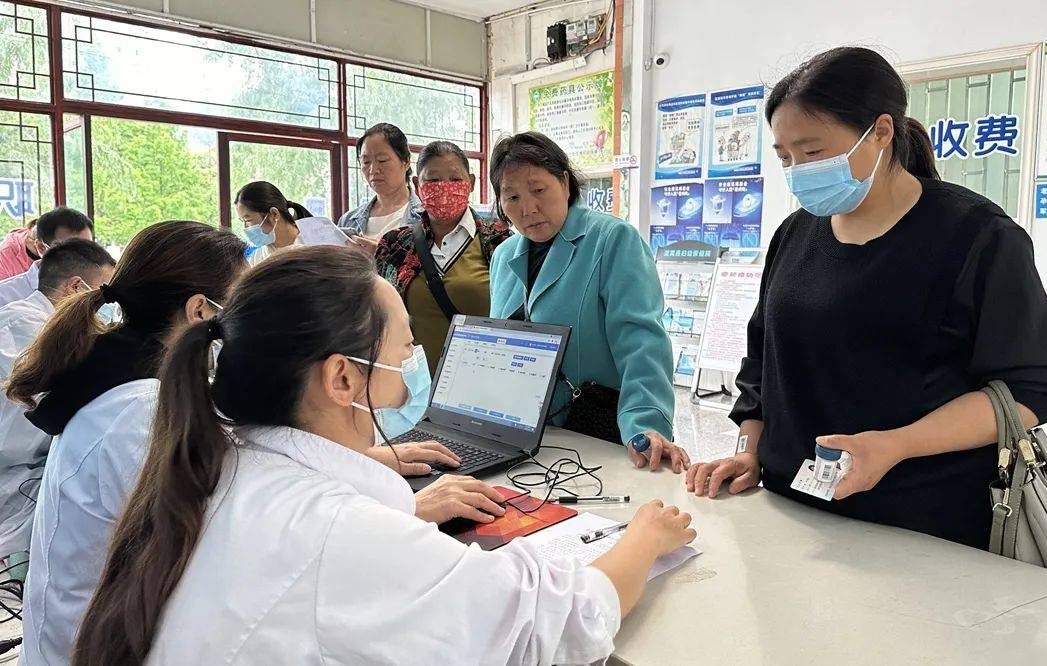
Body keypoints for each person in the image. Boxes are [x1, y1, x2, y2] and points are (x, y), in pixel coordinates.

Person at [70, 246, 696, 665]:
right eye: (403, 348)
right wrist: (646, 534)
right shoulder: (336, 531)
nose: (411, 366)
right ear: (343, 379)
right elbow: (554, 624)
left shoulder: (222, 467)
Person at [684, 47, 1047, 550]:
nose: (798, 171)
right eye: (785, 156)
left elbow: (1035, 389)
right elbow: (763, 363)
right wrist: (749, 450)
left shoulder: (976, 236)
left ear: (882, 132)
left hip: (923, 527)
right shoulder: (794, 233)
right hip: (790, 514)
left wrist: (896, 446)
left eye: (812, 152)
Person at [5, 220, 249, 666]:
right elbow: (230, 536)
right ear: (200, 310)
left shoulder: (118, 367)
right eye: (236, 305)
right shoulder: (138, 411)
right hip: (92, 648)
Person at [488, 132, 689, 473]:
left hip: (598, 432)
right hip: (528, 436)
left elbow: (641, 343)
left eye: (538, 190)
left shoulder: (612, 240)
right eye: (512, 197)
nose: (528, 209)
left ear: (565, 182)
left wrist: (645, 424)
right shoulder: (505, 256)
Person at [0, 239, 116, 584]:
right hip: (16, 478)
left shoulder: (44, 326)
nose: (108, 309)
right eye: (104, 297)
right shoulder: (21, 327)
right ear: (77, 287)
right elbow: (16, 429)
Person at [375, 140, 511, 375]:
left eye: (455, 180)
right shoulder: (395, 245)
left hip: (482, 381)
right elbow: (379, 319)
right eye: (433, 180)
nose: (444, 188)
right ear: (417, 185)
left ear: (471, 183)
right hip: (412, 388)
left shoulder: (499, 241)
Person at [338, 123, 423, 254]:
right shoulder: (348, 220)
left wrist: (384, 255)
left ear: (406, 162)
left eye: (382, 160)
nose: (373, 170)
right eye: (366, 162)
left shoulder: (426, 217)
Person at [0, 206, 96, 285]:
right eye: (70, 250)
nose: (82, 258)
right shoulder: (5, 259)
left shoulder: (98, 273)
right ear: (41, 247)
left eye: (88, 247)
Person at [234, 181, 313, 265]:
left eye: (248, 220)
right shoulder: (257, 259)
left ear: (274, 214)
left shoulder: (315, 244)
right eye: (242, 221)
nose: (246, 228)